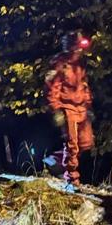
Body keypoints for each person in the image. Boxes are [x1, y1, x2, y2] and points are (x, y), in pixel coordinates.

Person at [45, 30, 95, 188]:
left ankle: (55, 159)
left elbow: (84, 85)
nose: (79, 50)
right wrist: (56, 110)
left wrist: (88, 105)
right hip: (67, 108)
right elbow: (52, 88)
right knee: (72, 145)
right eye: (77, 47)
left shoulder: (80, 64)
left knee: (86, 143)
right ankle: (72, 180)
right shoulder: (60, 64)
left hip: (81, 108)